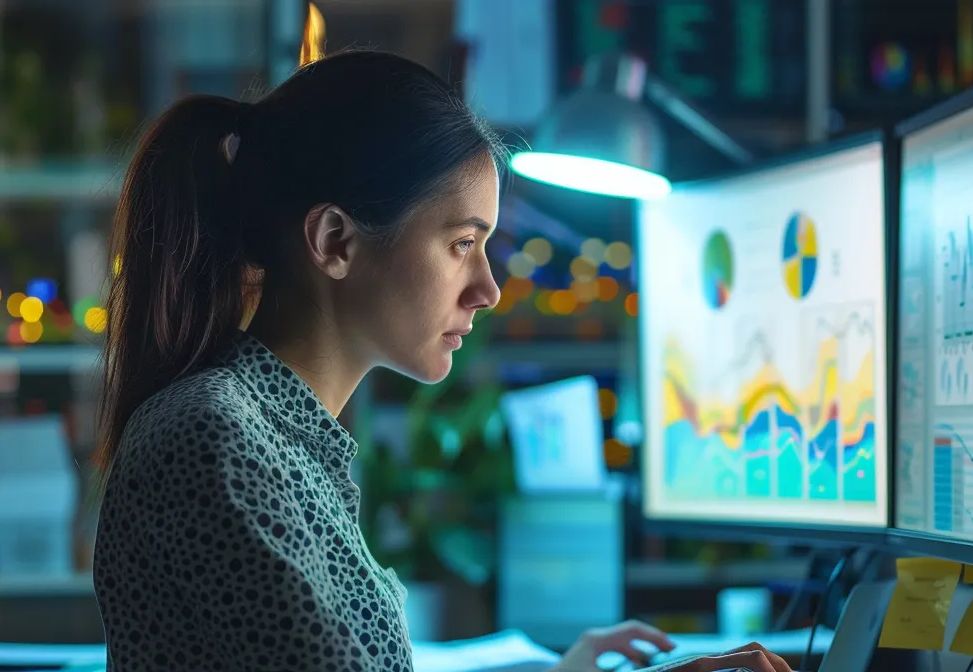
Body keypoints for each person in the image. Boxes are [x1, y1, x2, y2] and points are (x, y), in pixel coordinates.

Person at [91, 49, 792, 672]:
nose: (487, 289)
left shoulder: (280, 441)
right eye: (462, 243)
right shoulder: (217, 439)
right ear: (335, 241)